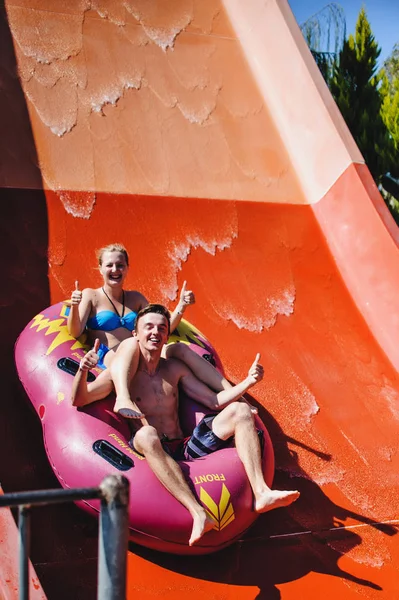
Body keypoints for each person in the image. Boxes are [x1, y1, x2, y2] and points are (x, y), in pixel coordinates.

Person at [71, 304, 300, 546]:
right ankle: (197, 512)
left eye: (161, 328)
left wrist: (247, 383)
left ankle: (261, 492)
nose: (155, 333)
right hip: (150, 446)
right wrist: (83, 371)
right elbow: (81, 398)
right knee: (147, 434)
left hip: (185, 445)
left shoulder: (173, 369)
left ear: (167, 336)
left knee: (241, 411)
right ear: (135, 334)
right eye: (148, 327)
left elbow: (213, 400)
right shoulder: (122, 374)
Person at [67, 243, 231, 417]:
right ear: (100, 268)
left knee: (179, 349)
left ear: (127, 268)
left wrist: (182, 306)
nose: (115, 269)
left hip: (143, 352)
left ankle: (230, 393)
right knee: (131, 343)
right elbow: (75, 332)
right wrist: (76, 306)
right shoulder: (90, 295)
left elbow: (163, 327)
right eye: (109, 265)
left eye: (120, 265)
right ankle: (123, 397)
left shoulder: (135, 298)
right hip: (110, 354)